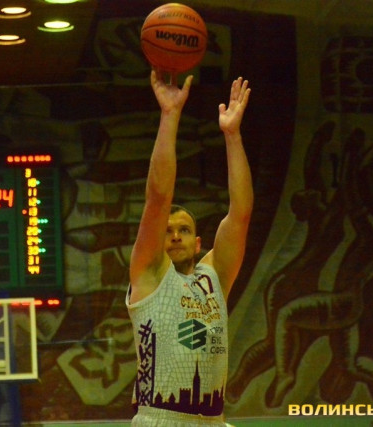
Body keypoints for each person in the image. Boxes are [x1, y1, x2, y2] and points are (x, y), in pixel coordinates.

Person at [126, 69, 253, 426]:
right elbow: (158, 197)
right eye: (167, 231)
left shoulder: (214, 277)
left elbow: (241, 213)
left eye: (184, 230)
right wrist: (170, 115)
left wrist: (232, 135)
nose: (175, 236)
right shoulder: (148, 274)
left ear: (198, 244)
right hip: (161, 419)